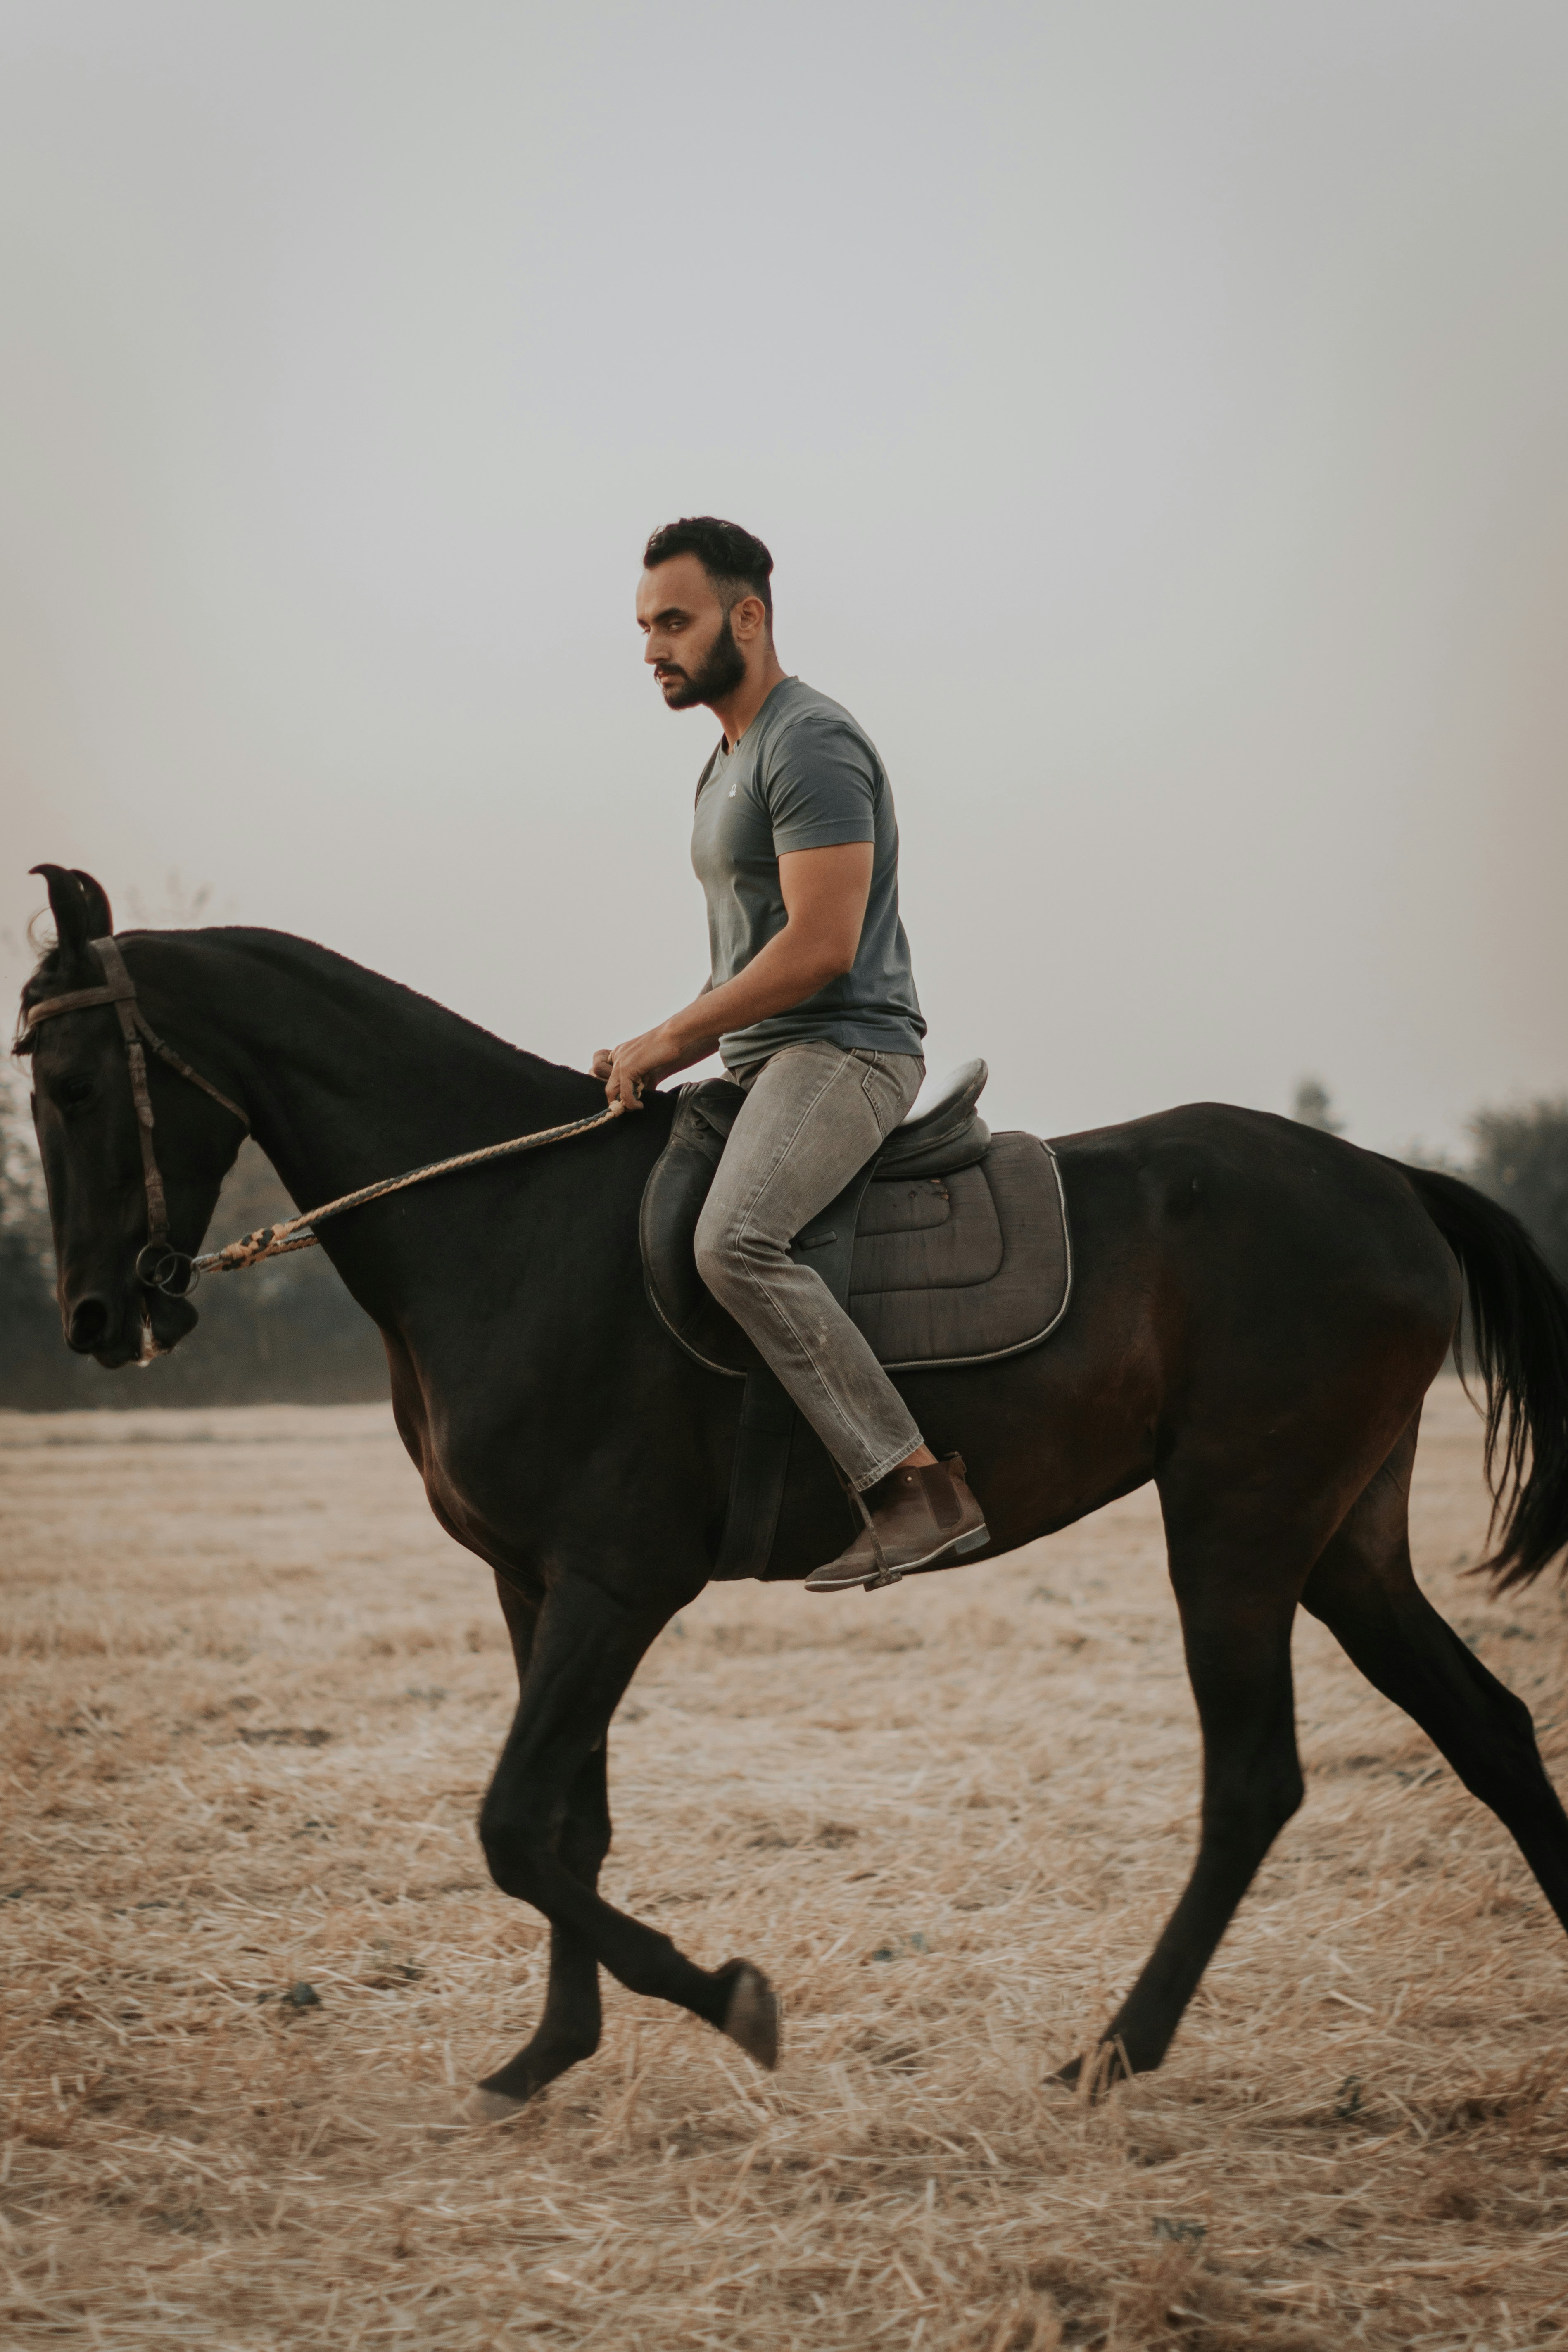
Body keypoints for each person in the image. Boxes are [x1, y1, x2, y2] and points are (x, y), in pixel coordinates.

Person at [595, 516, 988, 1594]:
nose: (651, 651)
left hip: (844, 1048)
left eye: (673, 622)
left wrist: (670, 1040)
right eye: (642, 628)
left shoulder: (808, 739)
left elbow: (820, 947)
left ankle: (911, 1487)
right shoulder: (723, 761)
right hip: (761, 1061)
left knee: (736, 1241)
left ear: (749, 616)